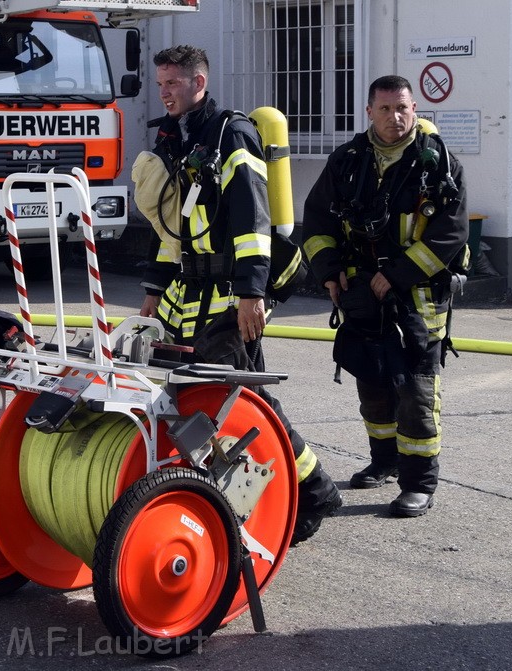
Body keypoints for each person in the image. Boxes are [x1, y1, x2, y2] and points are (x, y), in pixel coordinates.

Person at [135, 45, 342, 544]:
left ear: (198, 83)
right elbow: (173, 231)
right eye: (160, 83)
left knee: (239, 404)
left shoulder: (231, 133)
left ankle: (312, 493)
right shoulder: (174, 137)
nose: (164, 93)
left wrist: (252, 293)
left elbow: (253, 219)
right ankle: (237, 496)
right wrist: (152, 293)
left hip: (230, 296)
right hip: (186, 297)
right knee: (194, 401)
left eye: (173, 84)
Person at [301, 75, 468, 517]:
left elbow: (451, 233)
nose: (396, 118)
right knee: (372, 383)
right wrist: (330, 273)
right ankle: (385, 460)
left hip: (418, 299)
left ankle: (419, 484)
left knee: (416, 392)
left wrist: (394, 274)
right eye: (386, 109)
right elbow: (317, 222)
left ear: (415, 109)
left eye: (403, 109)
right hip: (360, 295)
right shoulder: (348, 160)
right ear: (369, 112)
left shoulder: (439, 163)